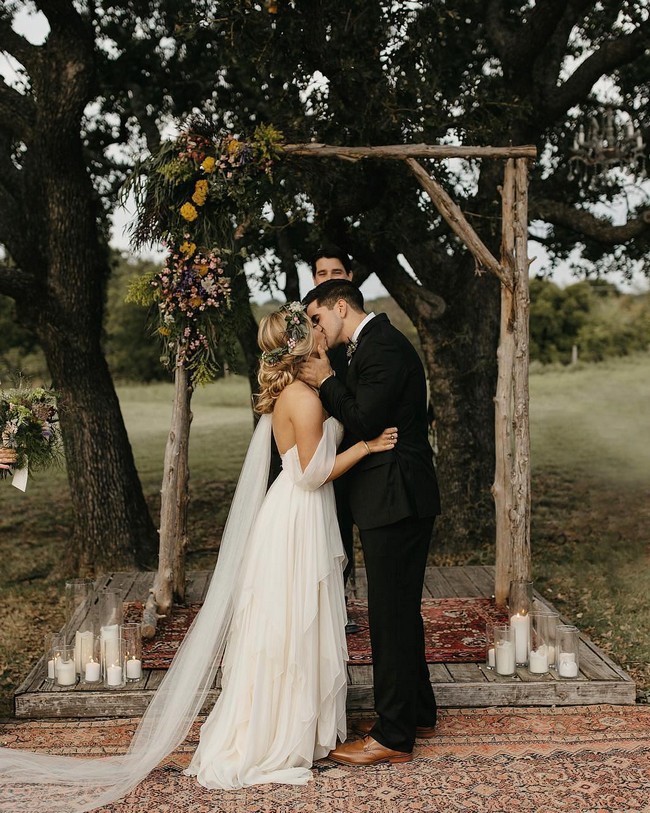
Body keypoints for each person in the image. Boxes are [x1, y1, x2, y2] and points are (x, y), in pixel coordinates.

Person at [0, 303, 396, 810]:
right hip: (299, 516)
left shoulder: (291, 395)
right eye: (315, 328)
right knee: (293, 622)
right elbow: (310, 474)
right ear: (302, 345)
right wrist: (366, 446)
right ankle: (283, 734)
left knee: (288, 622)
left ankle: (297, 726)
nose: (323, 332)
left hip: (292, 517)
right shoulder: (306, 399)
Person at [299, 279, 441, 767]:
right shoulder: (367, 347)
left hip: (397, 497)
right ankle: (417, 710)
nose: (315, 330)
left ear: (341, 306)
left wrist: (323, 381)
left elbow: (365, 420)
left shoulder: (382, 346)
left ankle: (394, 736)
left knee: (389, 615)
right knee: (399, 610)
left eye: (317, 318)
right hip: (390, 498)